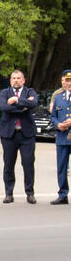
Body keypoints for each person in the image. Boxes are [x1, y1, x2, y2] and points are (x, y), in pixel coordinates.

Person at [0, 69, 38, 203]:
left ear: (23, 80)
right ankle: (9, 193)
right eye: (13, 78)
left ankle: (30, 193)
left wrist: (17, 99)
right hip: (9, 134)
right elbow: (4, 107)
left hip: (27, 135)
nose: (16, 80)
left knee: (28, 164)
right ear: (10, 81)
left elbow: (34, 103)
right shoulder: (4, 92)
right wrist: (24, 106)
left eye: (18, 78)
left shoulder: (30, 91)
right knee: (8, 164)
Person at [50, 69, 71, 204]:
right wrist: (58, 124)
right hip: (62, 137)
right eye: (67, 80)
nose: (69, 83)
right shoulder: (58, 97)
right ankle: (63, 194)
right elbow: (53, 116)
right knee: (62, 167)